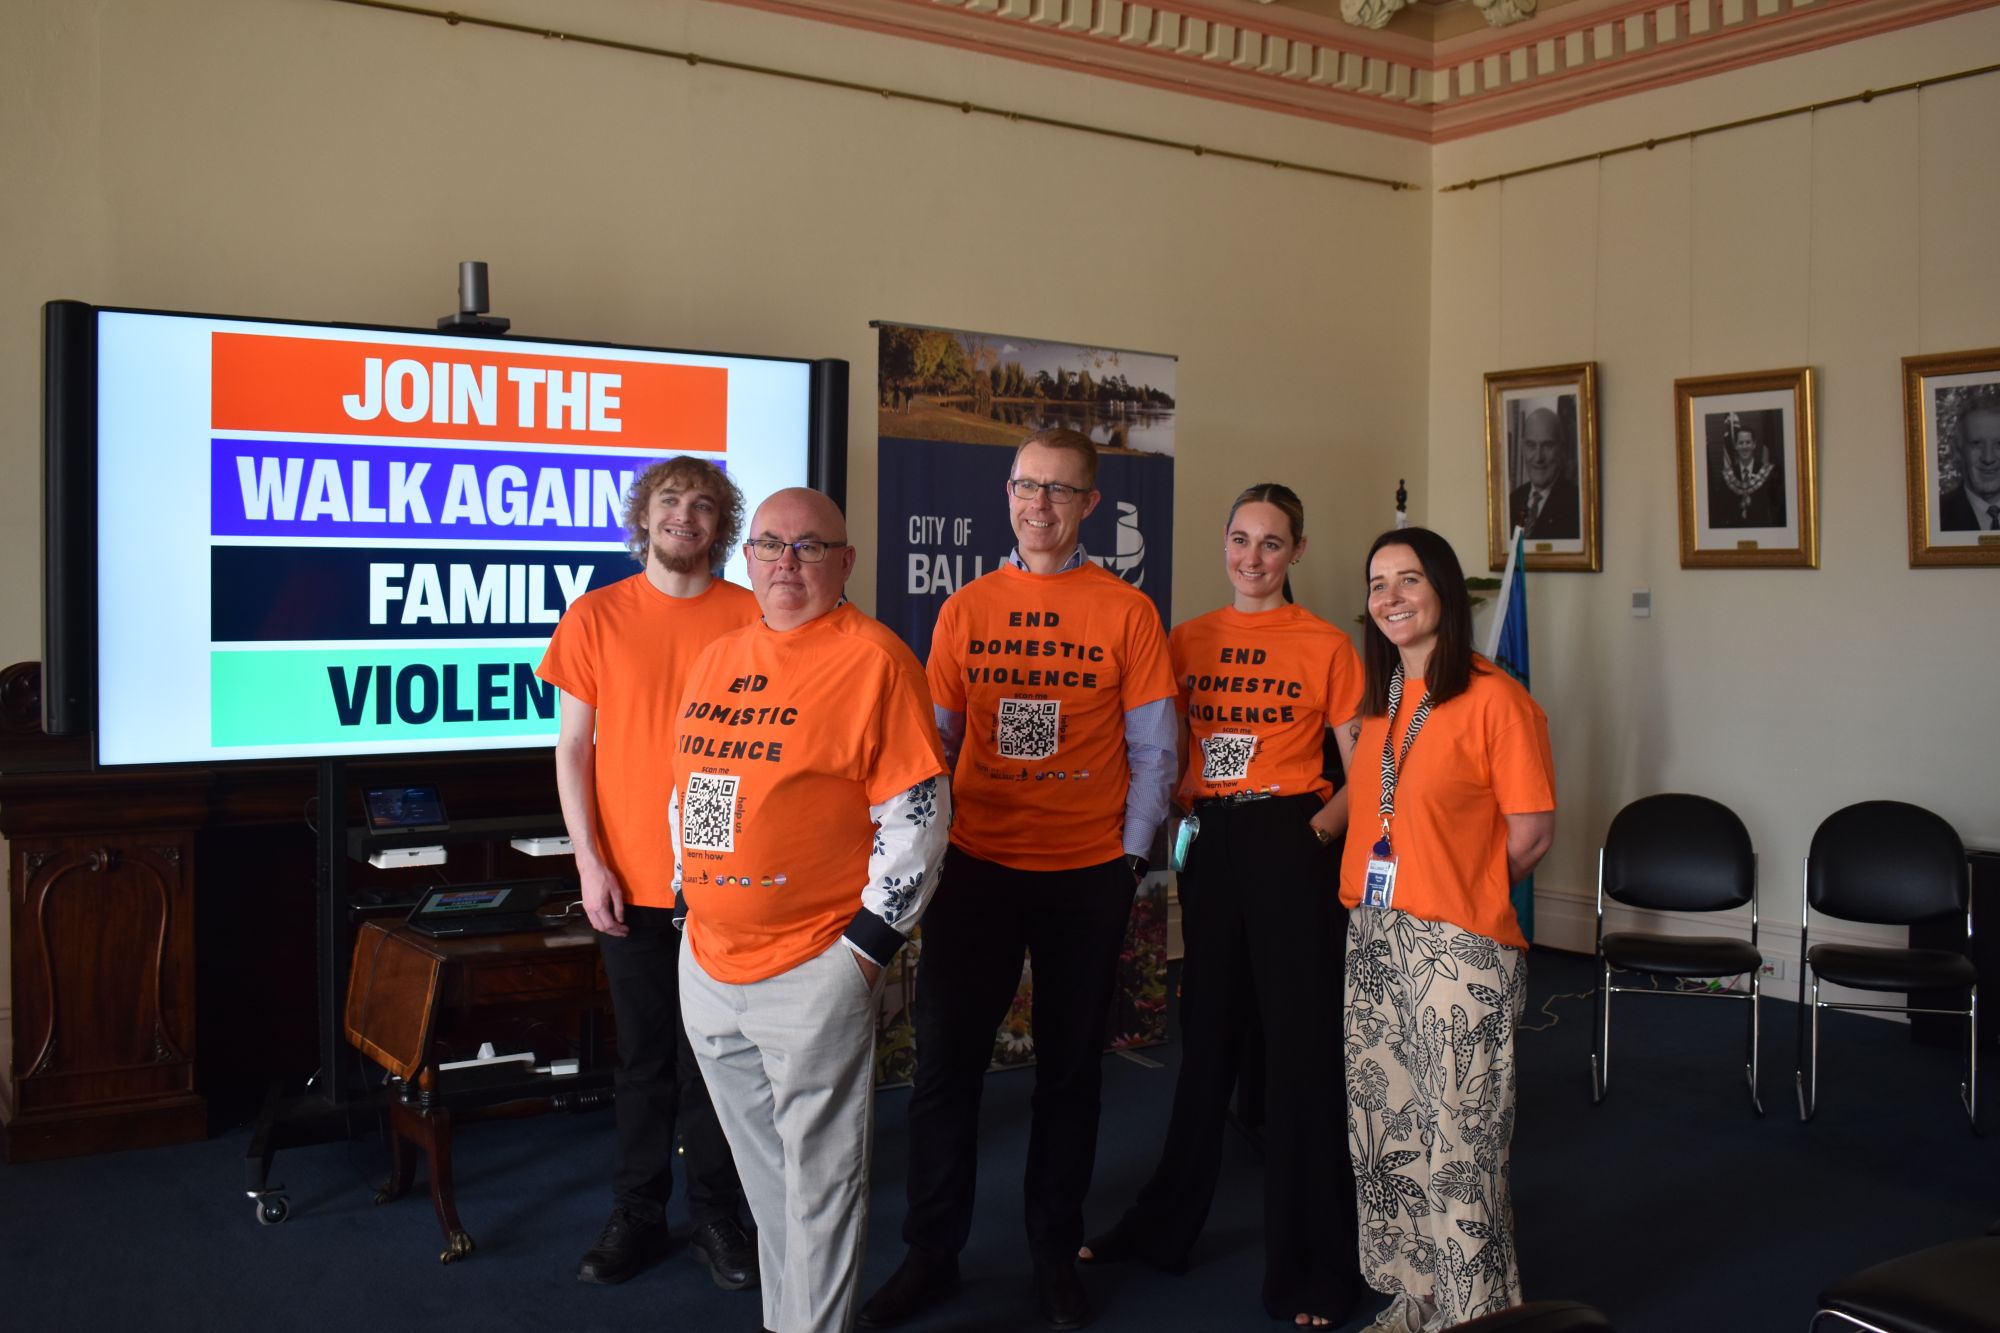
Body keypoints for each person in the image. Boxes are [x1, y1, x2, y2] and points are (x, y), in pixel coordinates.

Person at [862, 427, 1178, 1331]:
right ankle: (933, 1251)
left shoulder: (1127, 612)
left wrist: (1129, 853)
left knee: (1070, 1075)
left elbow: (1155, 750)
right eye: (1025, 486)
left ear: (1090, 505)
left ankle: (1053, 1254)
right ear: (1007, 493)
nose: (1038, 505)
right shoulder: (964, 608)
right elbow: (938, 745)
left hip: (1086, 874)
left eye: (1059, 490)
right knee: (944, 1072)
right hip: (979, 869)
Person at [1077, 483, 1367, 1329]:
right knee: (1205, 1045)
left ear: (1296, 552)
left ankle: (1314, 1267)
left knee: (1299, 1053)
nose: (1252, 557)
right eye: (1240, 539)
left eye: (1271, 543)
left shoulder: (1326, 644)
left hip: (1290, 842)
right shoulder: (1185, 638)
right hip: (1210, 846)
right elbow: (1160, 747)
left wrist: (1313, 836)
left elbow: (1366, 772)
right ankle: (1164, 1225)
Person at [674, 487, 952, 1333]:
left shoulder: (874, 660)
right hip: (710, 963)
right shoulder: (717, 655)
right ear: (745, 556)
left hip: (814, 966)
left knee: (823, 1183)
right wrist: (691, 904)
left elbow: (919, 817)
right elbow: (693, 790)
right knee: (768, 1180)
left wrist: (863, 952)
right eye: (770, 545)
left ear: (846, 561)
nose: (787, 563)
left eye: (809, 547)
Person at [537, 456, 759, 1290]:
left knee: (719, 1059)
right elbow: (571, 750)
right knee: (643, 1058)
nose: (686, 516)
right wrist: (589, 862)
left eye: (705, 505)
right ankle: (637, 1210)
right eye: (671, 500)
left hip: (728, 882)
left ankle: (716, 1214)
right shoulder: (596, 615)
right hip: (629, 877)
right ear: (646, 515)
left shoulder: (752, 614)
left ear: (721, 526)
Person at [1340, 527, 1555, 1333]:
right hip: (1374, 937)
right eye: (1377, 583)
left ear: (1446, 593)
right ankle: (1416, 1296)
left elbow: (1530, 834)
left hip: (1456, 947)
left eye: (1408, 579)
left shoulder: (1498, 699)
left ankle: (1479, 1317)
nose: (1390, 596)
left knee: (1459, 1146)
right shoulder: (1383, 697)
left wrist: (1460, 902)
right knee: (1385, 1131)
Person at [1505, 408, 1579, 540]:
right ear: (1523, 448)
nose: (1538, 457)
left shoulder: (1576, 505)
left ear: (1561, 449)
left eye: (1547, 445)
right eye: (1531, 445)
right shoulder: (1512, 501)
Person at [1709, 417, 1784, 528]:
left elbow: (1774, 506)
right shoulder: (1727, 475)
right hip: (1734, 532)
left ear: (1754, 444)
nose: (1744, 446)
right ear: (1735, 446)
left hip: (1762, 531)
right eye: (1741, 443)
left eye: (1748, 442)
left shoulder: (1768, 473)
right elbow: (1722, 509)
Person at [1939, 398, 2000, 532]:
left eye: (1999, 444)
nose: (1988, 458)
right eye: (1976, 443)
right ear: (1958, 451)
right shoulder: (1936, 516)